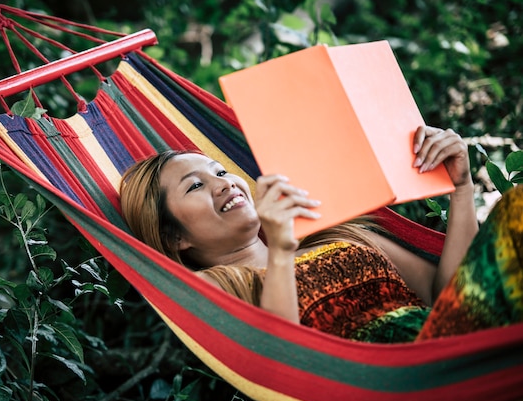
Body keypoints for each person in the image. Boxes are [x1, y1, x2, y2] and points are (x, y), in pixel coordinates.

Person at [119, 126, 523, 343]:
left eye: (221, 172)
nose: (224, 184)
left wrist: (462, 186)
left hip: (460, 341)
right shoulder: (213, 287)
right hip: (404, 379)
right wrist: (279, 249)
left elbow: (444, 297)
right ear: (174, 238)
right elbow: (285, 360)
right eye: (195, 186)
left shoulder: (339, 237)